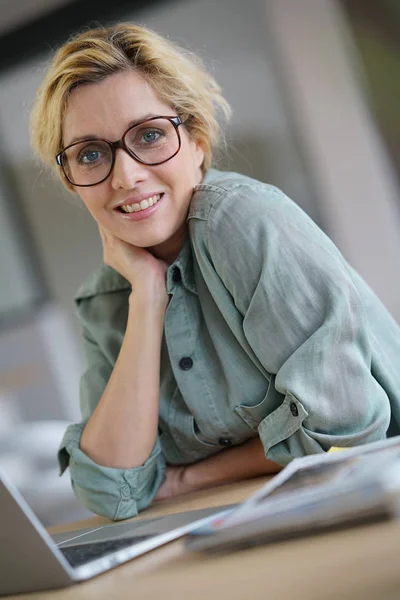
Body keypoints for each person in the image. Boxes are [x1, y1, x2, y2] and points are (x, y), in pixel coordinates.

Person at [31, 23, 400, 521]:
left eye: (151, 135)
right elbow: (111, 492)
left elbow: (346, 429)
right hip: (253, 519)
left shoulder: (240, 219)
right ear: (73, 181)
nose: (125, 176)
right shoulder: (107, 299)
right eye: (91, 154)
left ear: (198, 142)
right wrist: (147, 295)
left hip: (373, 502)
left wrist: (185, 478)